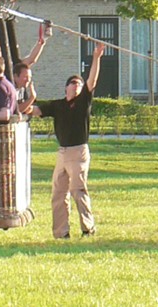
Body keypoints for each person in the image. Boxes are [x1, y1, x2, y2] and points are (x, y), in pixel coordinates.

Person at [28, 42, 105, 239]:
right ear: (66, 88)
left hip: (78, 151)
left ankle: (88, 227)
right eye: (73, 83)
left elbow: (92, 80)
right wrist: (26, 98)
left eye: (79, 83)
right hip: (62, 153)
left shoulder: (83, 102)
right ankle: (61, 233)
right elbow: (35, 111)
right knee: (58, 193)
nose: (77, 85)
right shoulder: (58, 105)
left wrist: (96, 57)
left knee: (77, 190)